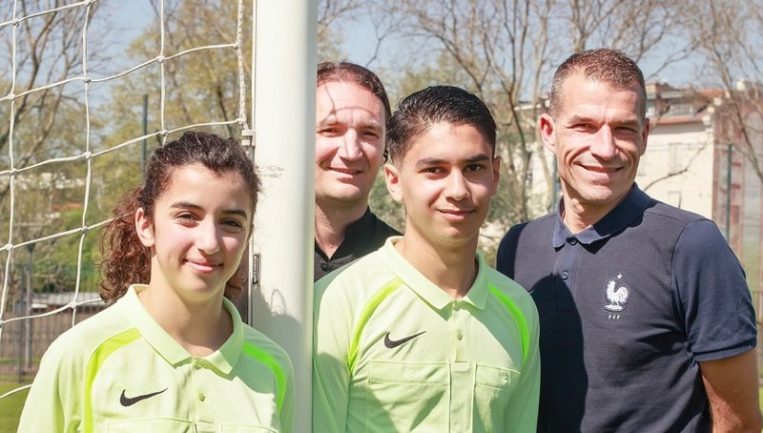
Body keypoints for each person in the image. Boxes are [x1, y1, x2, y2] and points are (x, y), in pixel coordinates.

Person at [496, 48, 761, 432]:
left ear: (645, 134)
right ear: (549, 132)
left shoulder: (691, 246)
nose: (605, 149)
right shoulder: (518, 246)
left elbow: (738, 423)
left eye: (623, 128)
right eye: (584, 126)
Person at [18, 131, 295, 433]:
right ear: (146, 225)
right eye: (188, 216)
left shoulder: (273, 365)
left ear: (248, 235)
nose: (210, 242)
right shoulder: (82, 354)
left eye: (230, 222)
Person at [313, 86, 540, 432]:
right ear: (394, 180)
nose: (458, 190)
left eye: (474, 167)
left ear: (494, 175)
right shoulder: (339, 300)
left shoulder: (519, 310)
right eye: (434, 170)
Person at [314, 61, 400, 281]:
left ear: (385, 149)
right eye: (331, 130)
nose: (351, 153)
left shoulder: (406, 264)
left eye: (369, 133)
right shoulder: (243, 258)